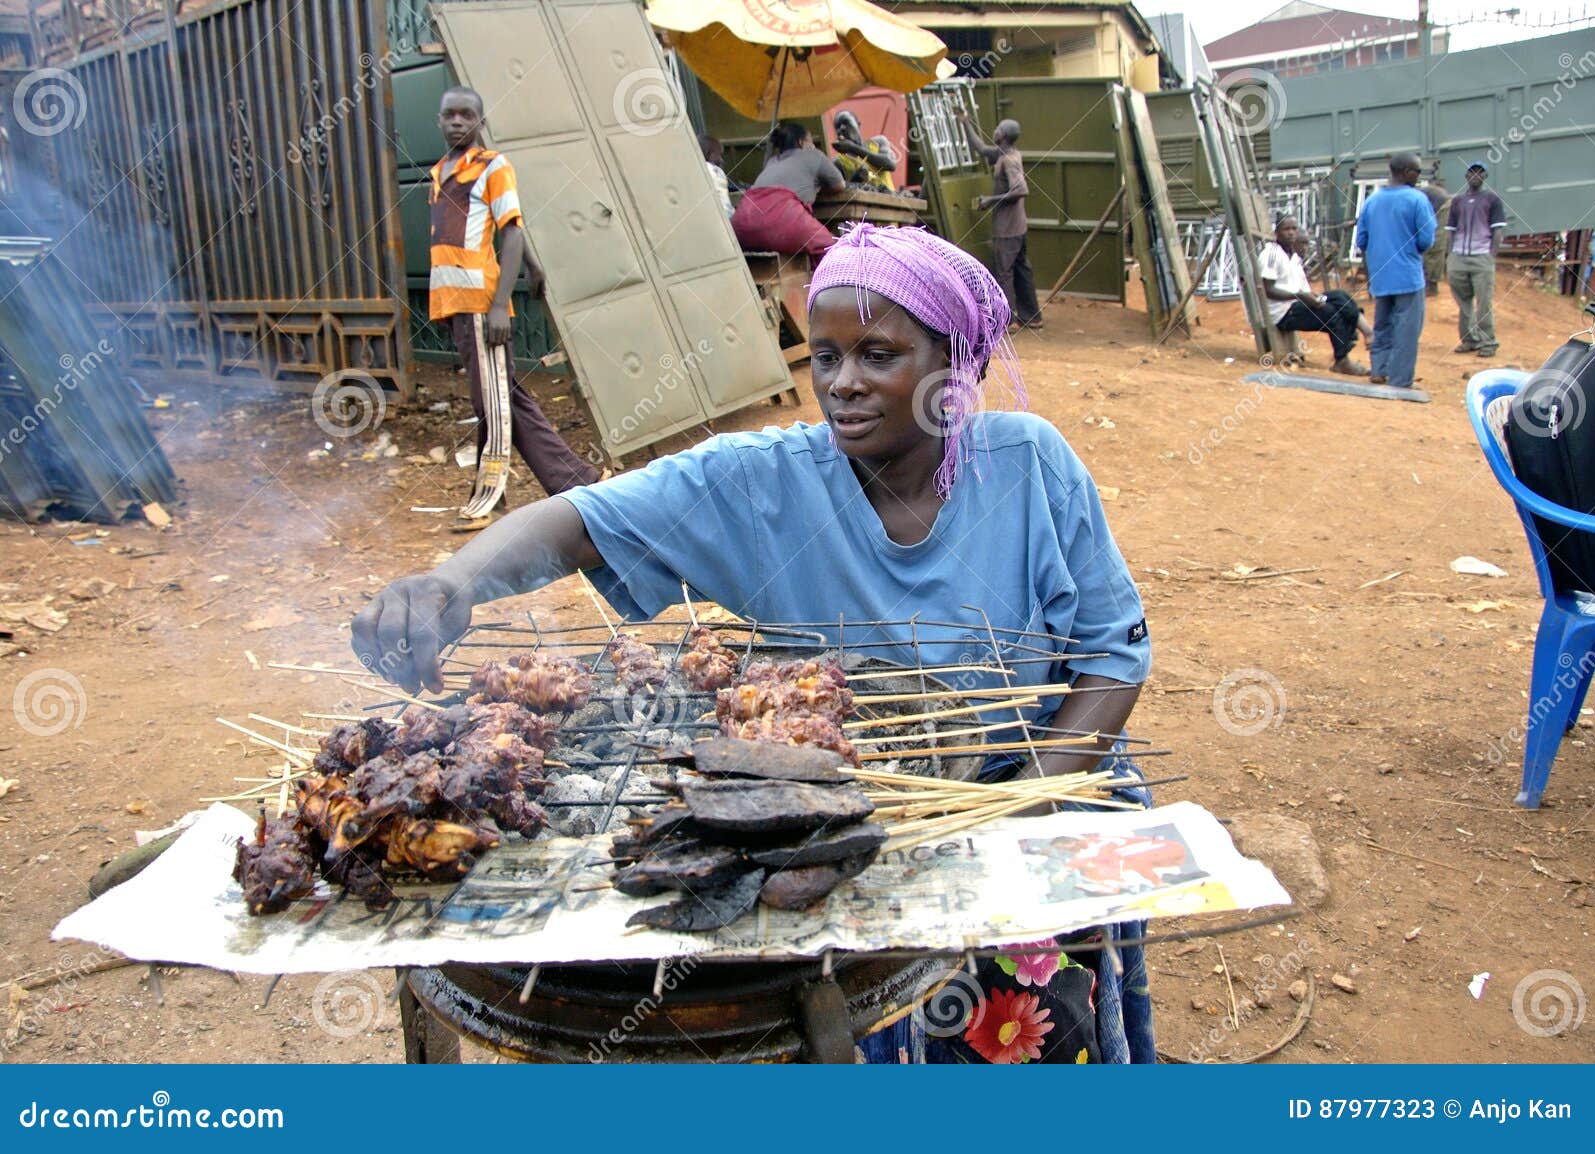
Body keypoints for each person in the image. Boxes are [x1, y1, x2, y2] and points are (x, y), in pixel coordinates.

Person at [352, 224, 1155, 1063]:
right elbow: (585, 521)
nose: (842, 384)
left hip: (1024, 786)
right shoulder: (761, 479)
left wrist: (1013, 808)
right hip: (839, 816)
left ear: (954, 367)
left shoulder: (1031, 466)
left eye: (878, 355)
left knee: (1019, 1038)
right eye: (825, 356)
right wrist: (454, 581)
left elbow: (1113, 656)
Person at [429, 86, 598, 523]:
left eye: (467, 115)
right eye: (449, 115)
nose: (457, 123)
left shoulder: (492, 166)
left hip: (481, 303)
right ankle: (575, 480)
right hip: (452, 304)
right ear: (439, 120)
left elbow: (512, 229)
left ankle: (489, 496)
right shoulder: (439, 173)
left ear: (481, 122)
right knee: (500, 398)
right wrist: (533, 268)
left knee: (495, 404)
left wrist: (500, 303)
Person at [953, 104, 1042, 330]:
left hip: (1009, 228)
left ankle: (1008, 320)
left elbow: (1021, 189)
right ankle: (1032, 317)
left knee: (1004, 273)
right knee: (1023, 269)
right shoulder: (1004, 154)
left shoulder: (1010, 160)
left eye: (997, 129)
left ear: (1001, 135)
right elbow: (981, 149)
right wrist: (965, 122)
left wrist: (989, 201)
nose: (994, 131)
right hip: (1018, 226)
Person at [1354, 152, 1436, 388]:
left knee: (1382, 325)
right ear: (1407, 172)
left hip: (1380, 276)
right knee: (1407, 329)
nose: (1419, 176)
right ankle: (1400, 379)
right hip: (1408, 276)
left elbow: (1361, 239)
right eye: (1417, 171)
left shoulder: (1372, 201)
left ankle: (1379, 369)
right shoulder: (1417, 200)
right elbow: (1426, 239)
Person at [1261, 216, 1367, 376]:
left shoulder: (1294, 258)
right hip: (1282, 313)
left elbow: (1305, 290)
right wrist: (1299, 296)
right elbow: (1267, 290)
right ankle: (1342, 360)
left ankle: (1366, 332)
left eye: (1294, 229)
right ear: (1277, 233)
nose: (1291, 233)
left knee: (1340, 296)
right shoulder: (1271, 254)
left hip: (1297, 304)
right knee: (1330, 312)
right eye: (1286, 229)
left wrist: (1314, 298)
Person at [729, 121, 844, 261]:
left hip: (741, 223)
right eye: (810, 141)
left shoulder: (771, 162)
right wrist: (816, 187)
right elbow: (839, 185)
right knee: (835, 251)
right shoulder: (814, 154)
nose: (813, 145)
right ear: (801, 142)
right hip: (782, 216)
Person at [1445, 161, 1506, 358]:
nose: (1475, 176)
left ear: (1485, 176)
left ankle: (1488, 342)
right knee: (1463, 302)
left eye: (1480, 173)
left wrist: (1491, 255)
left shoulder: (1492, 199)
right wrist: (1451, 254)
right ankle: (1469, 340)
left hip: (1481, 256)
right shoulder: (1458, 201)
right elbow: (1450, 231)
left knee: (1484, 302)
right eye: (1472, 172)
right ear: (1466, 176)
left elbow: (1498, 230)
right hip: (1459, 257)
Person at [830, 110, 896, 193]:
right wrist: (855, 180)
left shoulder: (878, 142)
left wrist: (852, 147)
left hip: (891, 201)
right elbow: (837, 187)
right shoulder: (838, 162)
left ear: (858, 124)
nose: (842, 128)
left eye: (846, 122)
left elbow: (889, 164)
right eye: (838, 127)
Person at [1420, 177, 1450, 297]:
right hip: (1440, 211)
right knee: (1436, 249)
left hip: (1441, 210)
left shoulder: (1422, 193)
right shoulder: (1429, 193)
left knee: (1433, 249)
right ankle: (1431, 284)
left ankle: (1431, 286)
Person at [699, 133, 734, 220]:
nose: (722, 160)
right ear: (710, 154)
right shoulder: (714, 171)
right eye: (719, 155)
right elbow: (726, 211)